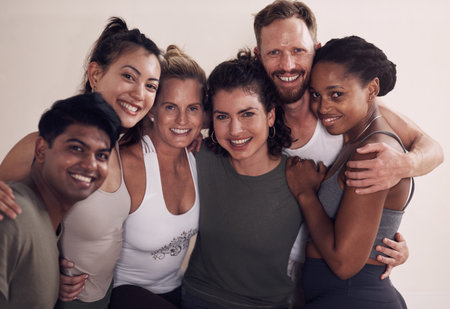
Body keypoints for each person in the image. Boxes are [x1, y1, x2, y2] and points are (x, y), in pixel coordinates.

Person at [252, 1, 443, 305]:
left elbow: (432, 147)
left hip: (346, 291)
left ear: (315, 50)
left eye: (298, 51)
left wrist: (402, 165)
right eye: (274, 52)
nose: (287, 64)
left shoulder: (364, 124)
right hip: (282, 286)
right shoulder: (247, 113)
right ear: (258, 56)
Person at [0, 17, 162, 308]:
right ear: (95, 74)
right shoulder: (47, 142)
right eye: (129, 76)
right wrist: (44, 269)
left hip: (104, 297)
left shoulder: (118, 146)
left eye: (151, 85)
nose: (139, 93)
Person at [286, 35, 413, 308]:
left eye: (337, 94)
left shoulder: (373, 154)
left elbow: (344, 263)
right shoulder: (358, 139)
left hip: (352, 296)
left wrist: (306, 194)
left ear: (371, 89)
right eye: (317, 95)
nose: (323, 107)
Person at [182, 50, 301, 309]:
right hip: (199, 298)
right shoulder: (199, 156)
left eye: (247, 114)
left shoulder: (299, 176)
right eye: (222, 116)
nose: (235, 130)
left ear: (270, 115)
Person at [0, 93, 121, 308]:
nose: (90, 165)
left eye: (101, 155)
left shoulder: (46, 225)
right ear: (41, 150)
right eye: (76, 148)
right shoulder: (12, 217)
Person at [108, 45, 206, 309]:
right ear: (152, 109)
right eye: (171, 107)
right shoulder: (126, 163)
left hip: (174, 291)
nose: (183, 119)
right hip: (123, 293)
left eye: (193, 108)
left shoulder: (198, 156)